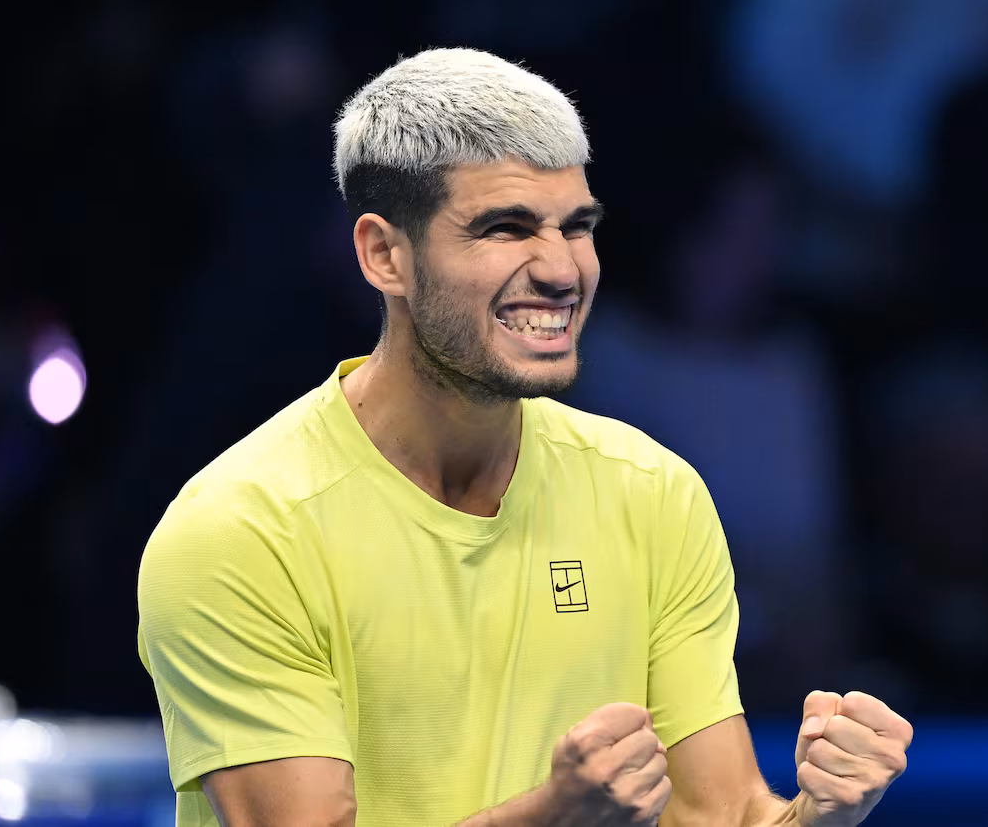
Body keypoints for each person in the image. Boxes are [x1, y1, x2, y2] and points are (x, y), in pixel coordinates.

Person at [136, 48, 911, 827]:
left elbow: (723, 814)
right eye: (505, 228)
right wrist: (556, 815)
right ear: (384, 254)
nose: (562, 270)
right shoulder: (238, 529)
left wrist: (822, 814)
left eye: (576, 227)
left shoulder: (652, 492)